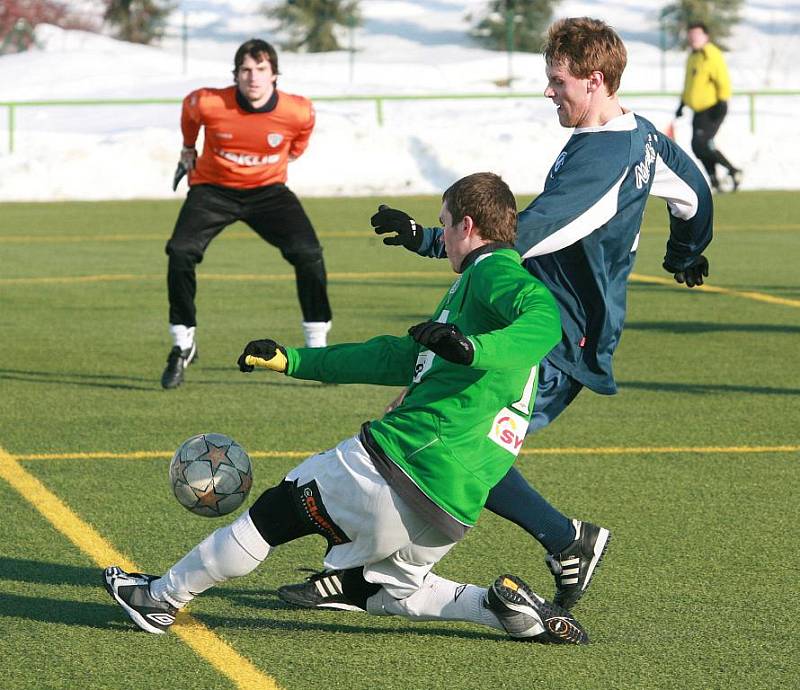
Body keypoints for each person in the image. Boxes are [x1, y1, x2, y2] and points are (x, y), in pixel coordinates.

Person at [279, 16, 713, 613]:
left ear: (593, 80)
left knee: (455, 440)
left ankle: (389, 574)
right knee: (449, 435)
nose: (548, 91)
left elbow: (526, 233)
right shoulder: (639, 136)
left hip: (553, 338)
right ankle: (543, 543)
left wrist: (437, 239)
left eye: (557, 80)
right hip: (540, 324)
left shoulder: (600, 161)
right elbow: (694, 192)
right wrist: (686, 252)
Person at [103, 172, 590, 645]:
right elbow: (391, 356)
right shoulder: (475, 291)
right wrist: (293, 360)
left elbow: (544, 318)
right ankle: (507, 612)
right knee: (395, 591)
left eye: (444, 223)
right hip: (455, 505)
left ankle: (160, 597)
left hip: (402, 462)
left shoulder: (495, 274)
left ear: (467, 226)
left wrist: (468, 348)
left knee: (273, 514)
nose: (441, 235)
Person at [161, 38, 332, 390]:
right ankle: (183, 341)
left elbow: (297, 147)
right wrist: (188, 148)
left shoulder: (299, 111)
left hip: (269, 193)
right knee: (180, 252)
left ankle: (317, 346)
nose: (253, 77)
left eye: (261, 69)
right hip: (213, 191)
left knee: (309, 253)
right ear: (236, 75)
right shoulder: (207, 101)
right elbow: (189, 115)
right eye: (245, 70)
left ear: (274, 75)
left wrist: (261, 168)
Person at [675, 21, 742, 192]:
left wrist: (722, 101)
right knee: (698, 146)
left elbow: (723, 80)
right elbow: (690, 83)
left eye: (697, 35)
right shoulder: (693, 56)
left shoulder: (711, 54)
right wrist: (682, 103)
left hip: (713, 108)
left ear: (706, 36)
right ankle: (715, 180)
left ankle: (733, 171)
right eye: (691, 35)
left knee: (701, 143)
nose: (693, 38)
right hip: (698, 110)